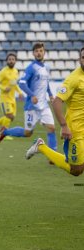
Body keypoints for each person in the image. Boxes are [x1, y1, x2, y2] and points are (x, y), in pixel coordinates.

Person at [25, 47, 84, 176]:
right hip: (76, 129)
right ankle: (41, 147)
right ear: (80, 59)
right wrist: (64, 126)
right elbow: (57, 102)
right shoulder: (74, 79)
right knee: (76, 170)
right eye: (83, 57)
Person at [0, 42, 57, 154]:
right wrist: (32, 95)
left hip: (44, 106)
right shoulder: (31, 68)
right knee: (27, 133)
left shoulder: (47, 68)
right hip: (31, 107)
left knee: (52, 128)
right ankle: (5, 132)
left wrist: (51, 94)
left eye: (41, 51)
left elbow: (46, 83)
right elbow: (22, 83)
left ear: (44, 52)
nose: (39, 53)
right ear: (33, 53)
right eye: (36, 51)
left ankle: (52, 154)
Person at [0, 53, 24, 138]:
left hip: (12, 98)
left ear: (15, 61)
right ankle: (4, 133)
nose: (11, 61)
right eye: (9, 59)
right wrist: (4, 88)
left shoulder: (15, 71)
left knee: (11, 118)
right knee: (9, 116)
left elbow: (14, 84)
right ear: (7, 61)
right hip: (4, 98)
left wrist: (19, 92)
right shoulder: (3, 72)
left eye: (13, 59)